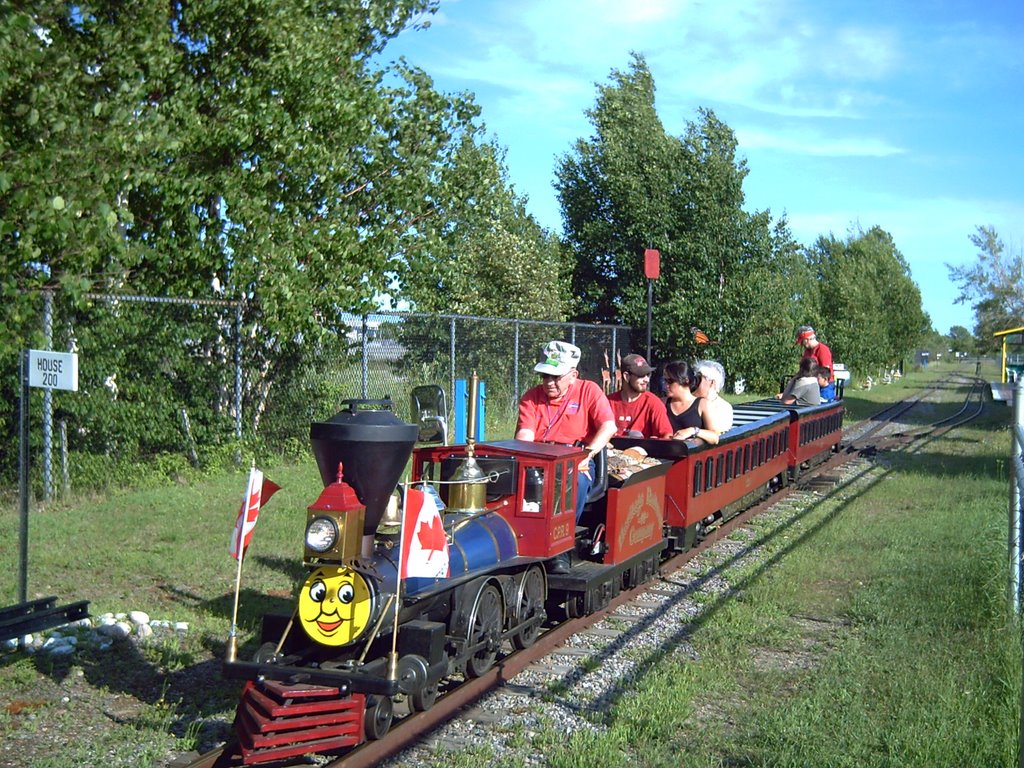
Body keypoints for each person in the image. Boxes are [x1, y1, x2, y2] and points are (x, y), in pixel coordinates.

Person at [516, 340, 616, 533]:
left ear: (573, 375)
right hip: (539, 457)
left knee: (574, 481)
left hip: (576, 457)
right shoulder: (531, 397)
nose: (549, 383)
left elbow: (608, 426)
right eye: (545, 376)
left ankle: (563, 539)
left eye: (555, 377)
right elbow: (525, 434)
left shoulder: (589, 390)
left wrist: (587, 455)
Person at [607, 354, 672, 439]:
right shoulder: (607, 402)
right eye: (641, 375)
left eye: (648, 375)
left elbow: (667, 436)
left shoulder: (653, 403)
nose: (646, 380)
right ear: (626, 376)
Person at [662, 360, 718, 445]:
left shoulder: (703, 404)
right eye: (665, 381)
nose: (666, 385)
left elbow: (715, 437)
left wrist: (693, 431)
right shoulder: (662, 403)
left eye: (670, 381)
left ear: (686, 380)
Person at [693, 359, 734, 433]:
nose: (694, 382)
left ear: (712, 383)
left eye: (699, 379)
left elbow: (718, 436)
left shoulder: (723, 408)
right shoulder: (688, 401)